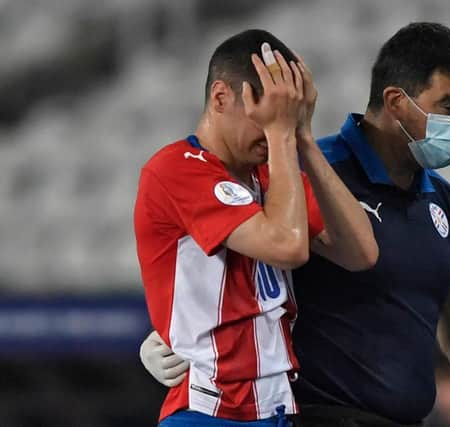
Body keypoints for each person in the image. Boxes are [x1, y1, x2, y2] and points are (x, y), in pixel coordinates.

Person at [140, 23, 450, 426]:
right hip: (291, 412)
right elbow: (250, 256)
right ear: (396, 101)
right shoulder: (277, 169)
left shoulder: (440, 199)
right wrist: (170, 334)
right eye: (449, 106)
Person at [134, 29, 377, 427]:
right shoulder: (176, 168)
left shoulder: (270, 175)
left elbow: (361, 251)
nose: (270, 129)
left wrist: (304, 138)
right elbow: (288, 246)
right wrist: (282, 136)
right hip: (209, 410)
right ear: (219, 97)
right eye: (262, 115)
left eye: (281, 116)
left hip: (277, 408)